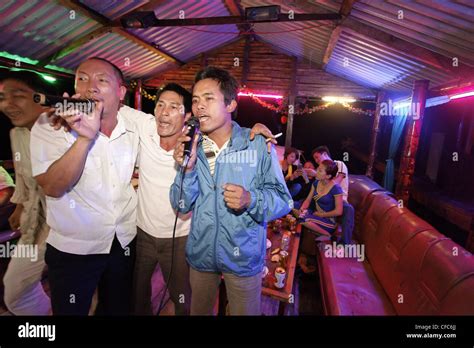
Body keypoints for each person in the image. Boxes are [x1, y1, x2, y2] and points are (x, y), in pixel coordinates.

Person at [170, 66, 291, 315]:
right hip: (202, 255)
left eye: (208, 99)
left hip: (243, 259)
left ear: (231, 105)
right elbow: (180, 205)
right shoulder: (192, 145)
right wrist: (188, 169)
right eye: (195, 100)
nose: (199, 107)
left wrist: (251, 199)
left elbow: (283, 201)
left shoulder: (257, 143)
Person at [30, 57, 140, 315]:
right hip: (74, 249)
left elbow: (176, 125)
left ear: (121, 92)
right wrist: (84, 139)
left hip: (122, 241)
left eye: (101, 80)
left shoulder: (135, 123)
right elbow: (53, 187)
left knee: (116, 309)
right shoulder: (50, 125)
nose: (89, 87)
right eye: (81, 78)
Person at [131, 83, 193, 315]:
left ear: (187, 115)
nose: (164, 112)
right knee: (137, 294)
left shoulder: (195, 149)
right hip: (143, 233)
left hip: (178, 239)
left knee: (181, 297)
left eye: (174, 107)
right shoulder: (145, 127)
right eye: (160, 104)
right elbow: (113, 105)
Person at [0, 70, 53, 315]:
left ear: (39, 98)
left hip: (65, 225)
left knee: (75, 288)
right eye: (2, 97)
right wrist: (20, 206)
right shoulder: (17, 134)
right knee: (14, 287)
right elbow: (22, 175)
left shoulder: (61, 128)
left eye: (17, 96)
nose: (8, 104)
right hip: (34, 225)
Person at [298, 160, 343, 272]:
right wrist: (302, 209)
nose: (316, 172)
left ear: (328, 176)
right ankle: (301, 257)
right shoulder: (316, 183)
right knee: (296, 212)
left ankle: (327, 234)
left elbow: (339, 211)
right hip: (317, 217)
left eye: (320, 170)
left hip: (329, 222)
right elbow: (308, 200)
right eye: (318, 168)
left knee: (304, 219)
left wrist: (322, 214)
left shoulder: (336, 188)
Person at [311, 146, 354, 244]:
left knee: (348, 209)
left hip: (339, 200)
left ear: (325, 154)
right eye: (315, 159)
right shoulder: (320, 170)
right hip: (324, 200)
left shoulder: (339, 164)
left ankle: (344, 244)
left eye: (317, 157)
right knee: (300, 204)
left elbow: (337, 182)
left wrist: (316, 175)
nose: (316, 161)